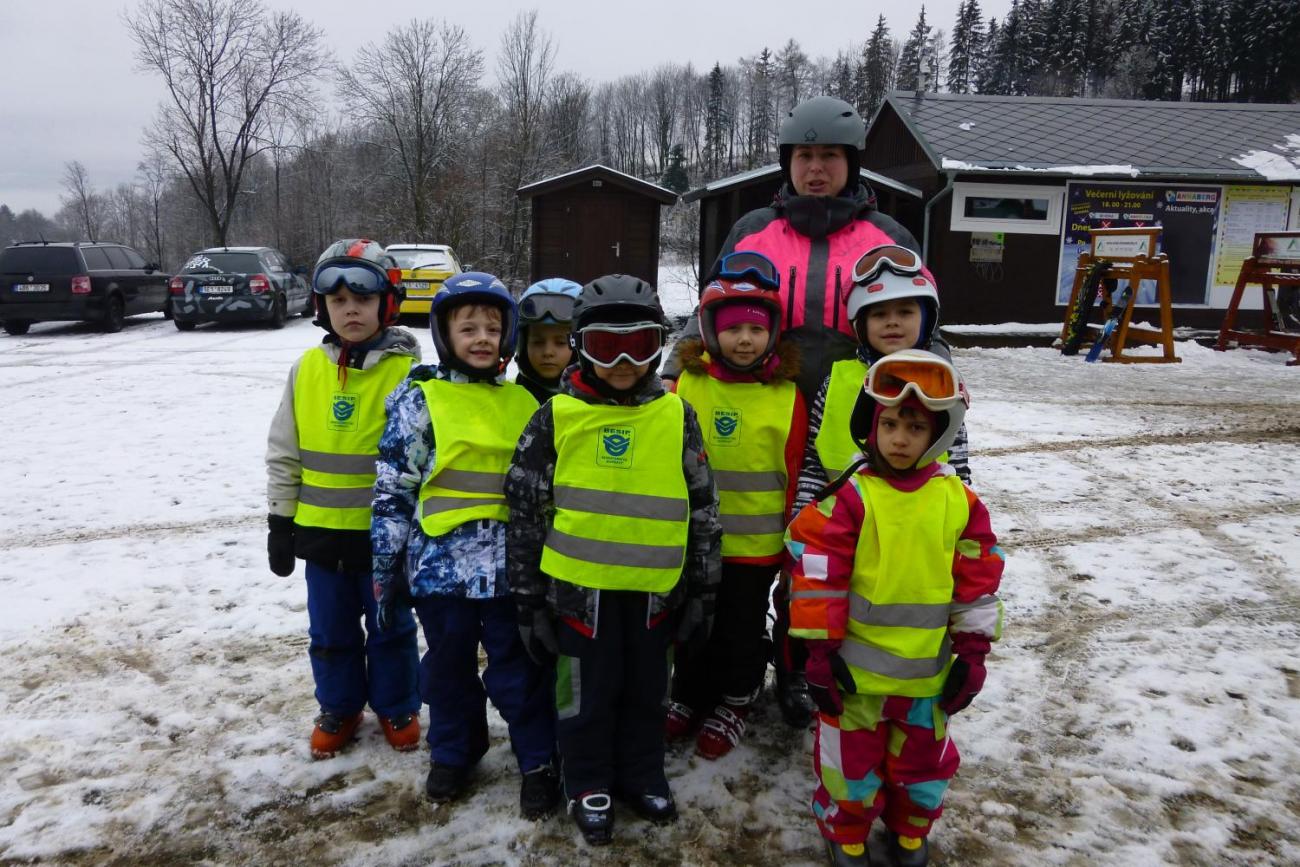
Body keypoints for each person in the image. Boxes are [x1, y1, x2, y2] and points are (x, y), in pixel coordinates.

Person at [504, 274, 722, 846]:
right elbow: (525, 512)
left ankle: (642, 772)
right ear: (580, 346)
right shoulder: (556, 416)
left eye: (641, 344)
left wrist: (702, 590)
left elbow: (703, 507)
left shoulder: (676, 416)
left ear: (658, 346)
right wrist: (527, 600)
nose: (624, 361)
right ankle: (587, 779)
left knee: (648, 690)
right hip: (578, 597)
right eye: (605, 346)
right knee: (585, 694)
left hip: (656, 595)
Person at [784, 350, 1004, 867]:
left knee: (922, 766)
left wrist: (972, 655)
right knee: (849, 766)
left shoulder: (960, 503)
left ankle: (910, 829)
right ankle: (848, 831)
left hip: (926, 680)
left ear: (939, 434)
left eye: (914, 427)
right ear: (870, 425)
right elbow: (818, 572)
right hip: (853, 679)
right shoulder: (851, 498)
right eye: (889, 424)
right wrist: (818, 653)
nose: (900, 438)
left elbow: (978, 582)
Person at [370, 271, 558, 819]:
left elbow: (546, 489)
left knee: (519, 670)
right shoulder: (420, 398)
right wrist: (386, 566)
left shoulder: (524, 401)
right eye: (468, 327)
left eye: (492, 328)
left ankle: (537, 759)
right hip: (439, 575)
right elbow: (394, 487)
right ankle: (455, 750)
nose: (481, 338)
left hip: (511, 575)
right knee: (447, 672)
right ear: (444, 334)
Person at [265, 239, 422, 759]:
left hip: (386, 542)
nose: (349, 309)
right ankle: (339, 706)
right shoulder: (306, 370)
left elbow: (426, 461)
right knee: (329, 632)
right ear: (321, 307)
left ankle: (397, 704)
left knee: (391, 629)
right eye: (337, 301)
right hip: (320, 538)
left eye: (362, 298)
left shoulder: (409, 375)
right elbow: (284, 452)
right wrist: (279, 523)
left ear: (387, 304)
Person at [667, 94, 926, 402]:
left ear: (851, 163)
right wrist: (672, 374)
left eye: (829, 155)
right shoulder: (752, 232)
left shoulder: (888, 238)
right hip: (765, 410)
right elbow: (710, 309)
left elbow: (924, 327)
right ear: (788, 163)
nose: (815, 168)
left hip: (858, 412)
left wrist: (939, 394)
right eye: (804, 156)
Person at [662, 251, 808, 760]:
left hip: (756, 548)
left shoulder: (787, 396)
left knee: (739, 631)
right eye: (732, 330)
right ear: (708, 330)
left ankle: (735, 699)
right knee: (691, 626)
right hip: (694, 543)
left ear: (773, 334)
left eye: (756, 329)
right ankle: (687, 694)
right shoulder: (687, 383)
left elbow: (793, 477)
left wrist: (793, 547)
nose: (744, 340)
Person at [513, 277, 582, 403]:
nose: (548, 352)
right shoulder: (507, 399)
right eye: (537, 342)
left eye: (560, 343)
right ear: (522, 344)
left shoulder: (602, 405)